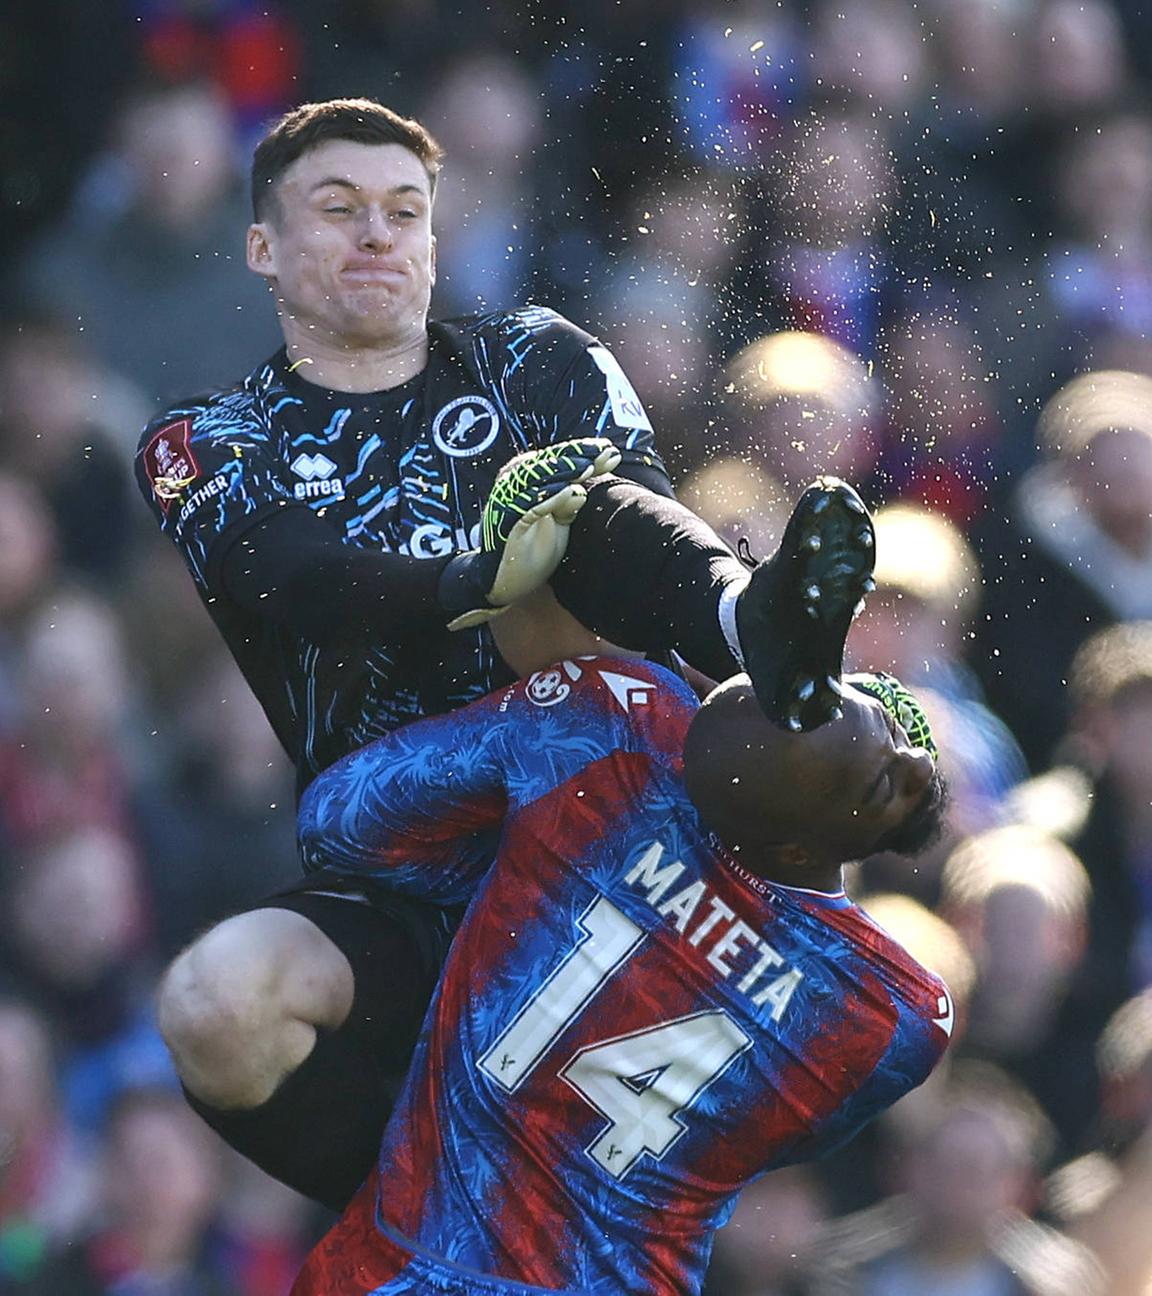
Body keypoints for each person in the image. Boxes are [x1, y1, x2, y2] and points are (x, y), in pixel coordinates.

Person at [135, 95, 878, 1211]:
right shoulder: (207, 439)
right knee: (212, 1006)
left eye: (404, 211)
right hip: (403, 879)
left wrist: (585, 588)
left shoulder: (531, 355)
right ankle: (440, 1212)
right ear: (263, 247)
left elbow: (631, 541)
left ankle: (756, 624)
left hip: (620, 855)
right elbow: (282, 576)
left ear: (436, 239)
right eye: (336, 210)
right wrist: (467, 584)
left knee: (589, 514)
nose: (377, 234)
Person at [289, 649, 950, 1292]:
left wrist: (513, 889)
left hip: (392, 1269)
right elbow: (782, 1139)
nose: (920, 761)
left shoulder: (612, 726)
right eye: (887, 777)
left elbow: (335, 821)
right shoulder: (890, 1011)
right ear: (796, 847)